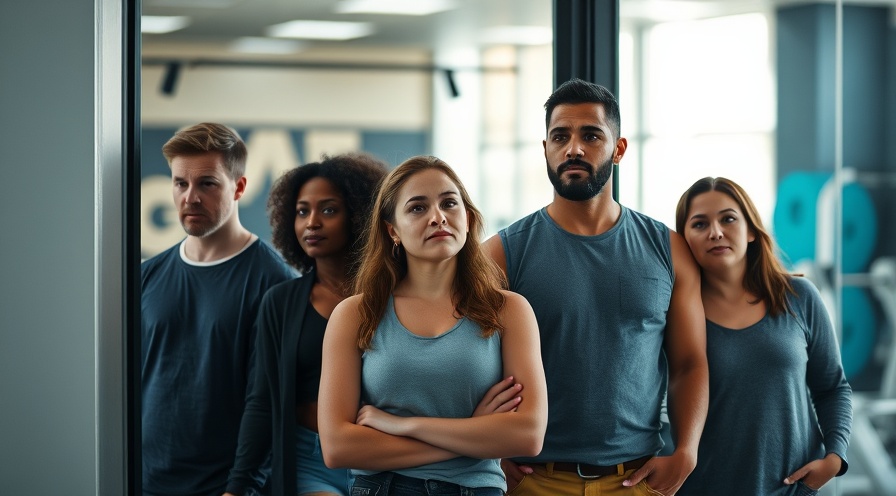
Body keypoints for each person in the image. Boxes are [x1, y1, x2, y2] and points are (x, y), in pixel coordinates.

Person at [482, 78, 708, 496]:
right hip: (533, 481)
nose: (574, 149)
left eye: (591, 136)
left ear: (618, 149)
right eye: (560, 136)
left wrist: (687, 450)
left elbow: (690, 362)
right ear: (546, 148)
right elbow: (466, 364)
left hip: (636, 480)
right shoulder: (500, 254)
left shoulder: (669, 250)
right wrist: (486, 445)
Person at [318, 155, 549, 495]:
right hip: (383, 487)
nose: (438, 217)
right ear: (392, 230)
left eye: (449, 203)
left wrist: (403, 425)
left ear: (467, 220)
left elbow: (527, 435)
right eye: (417, 208)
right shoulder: (355, 314)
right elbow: (338, 448)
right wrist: (475, 433)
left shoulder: (509, 311)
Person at [141, 123, 296, 496]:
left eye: (207, 183)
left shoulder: (276, 282)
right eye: (180, 183)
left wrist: (240, 489)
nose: (190, 197)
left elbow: (270, 406)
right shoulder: (145, 276)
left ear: (239, 187)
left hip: (225, 488)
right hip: (143, 481)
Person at [674, 177, 852, 496]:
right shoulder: (675, 313)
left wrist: (835, 458)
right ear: (684, 239)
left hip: (792, 490)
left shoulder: (799, 296)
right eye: (699, 224)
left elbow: (832, 387)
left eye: (728, 218)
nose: (715, 232)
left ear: (752, 230)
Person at [223, 153, 389, 496]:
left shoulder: (394, 296)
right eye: (302, 212)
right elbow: (262, 401)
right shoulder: (280, 303)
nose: (312, 222)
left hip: (384, 456)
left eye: (328, 210)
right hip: (309, 461)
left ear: (359, 216)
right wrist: (237, 487)